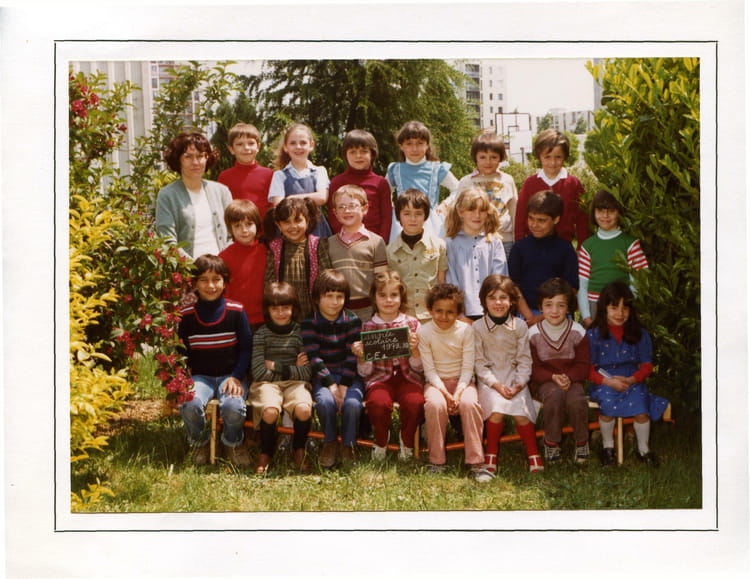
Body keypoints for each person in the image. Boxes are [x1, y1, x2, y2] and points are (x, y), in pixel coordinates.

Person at [177, 254, 252, 466]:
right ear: (194, 284)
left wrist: (237, 376)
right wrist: (182, 379)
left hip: (231, 376)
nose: (211, 286)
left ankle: (232, 442)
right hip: (201, 377)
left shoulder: (236, 311)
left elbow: (246, 348)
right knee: (189, 403)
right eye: (204, 280)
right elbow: (180, 351)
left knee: (233, 407)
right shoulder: (186, 315)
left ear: (225, 282)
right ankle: (200, 442)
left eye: (216, 279)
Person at [587, 281, 668, 466]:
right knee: (606, 407)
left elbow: (647, 366)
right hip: (604, 382)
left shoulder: (640, 334)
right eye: (614, 308)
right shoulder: (593, 335)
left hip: (632, 381)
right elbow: (588, 369)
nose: (620, 313)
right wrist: (608, 382)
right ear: (604, 309)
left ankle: (643, 450)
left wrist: (632, 379)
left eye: (625, 308)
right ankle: (608, 448)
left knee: (641, 409)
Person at [417, 283, 487, 482]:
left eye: (450, 312)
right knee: (435, 405)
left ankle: (476, 461)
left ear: (458, 313)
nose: (444, 316)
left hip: (463, 382)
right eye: (438, 311)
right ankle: (437, 461)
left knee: (470, 404)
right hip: (436, 384)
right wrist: (446, 394)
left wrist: (457, 393)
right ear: (430, 309)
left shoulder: (466, 330)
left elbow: (468, 367)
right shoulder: (424, 332)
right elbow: (429, 370)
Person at [473, 275, 542, 475]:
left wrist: (519, 383)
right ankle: (491, 454)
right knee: (496, 410)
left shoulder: (519, 326)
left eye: (503, 297)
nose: (498, 303)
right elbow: (479, 364)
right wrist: (496, 385)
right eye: (492, 297)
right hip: (490, 380)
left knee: (521, 413)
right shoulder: (478, 327)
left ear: (512, 301)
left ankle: (533, 453)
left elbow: (524, 360)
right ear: (484, 301)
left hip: (514, 379)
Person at [352, 271, 424, 461]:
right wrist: (362, 357)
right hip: (379, 379)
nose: (389, 300)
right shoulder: (368, 327)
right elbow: (364, 372)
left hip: (407, 377)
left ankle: (407, 440)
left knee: (415, 402)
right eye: (382, 295)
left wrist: (415, 350)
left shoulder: (413, 324)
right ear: (374, 298)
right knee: (378, 403)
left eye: (394, 295)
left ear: (401, 297)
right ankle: (381, 440)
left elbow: (419, 368)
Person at [301, 269, 364, 468]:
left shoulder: (353, 320)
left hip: (349, 375)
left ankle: (348, 444)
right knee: (325, 403)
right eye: (329, 296)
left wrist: (344, 386)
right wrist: (332, 386)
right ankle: (329, 442)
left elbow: (352, 356)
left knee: (352, 404)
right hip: (323, 376)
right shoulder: (309, 322)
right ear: (317, 298)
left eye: (339, 296)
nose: (335, 302)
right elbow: (314, 357)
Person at [249, 282, 314, 474]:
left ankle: (299, 449)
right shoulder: (261, 334)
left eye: (285, 308)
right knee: (270, 411)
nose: (280, 313)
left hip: (295, 383)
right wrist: (294, 368)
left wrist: (277, 367)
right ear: (267, 310)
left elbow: (306, 372)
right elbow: (259, 372)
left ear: (293, 308)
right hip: (266, 384)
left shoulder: (300, 333)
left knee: (303, 409)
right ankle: (266, 452)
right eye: (275, 308)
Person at [528, 277, 590, 465]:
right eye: (549, 305)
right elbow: (532, 368)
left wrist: (569, 377)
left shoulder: (578, 331)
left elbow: (583, 365)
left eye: (560, 305)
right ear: (540, 307)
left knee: (576, 399)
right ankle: (551, 441)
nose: (554, 311)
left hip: (573, 380)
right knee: (554, 396)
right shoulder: (533, 334)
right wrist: (552, 377)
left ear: (569, 308)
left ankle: (582, 441)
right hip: (544, 382)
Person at [577, 190, 649, 328]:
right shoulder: (588, 245)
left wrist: (625, 308)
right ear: (593, 213)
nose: (605, 216)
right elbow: (582, 284)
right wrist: (586, 316)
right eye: (600, 211)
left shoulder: (630, 243)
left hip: (620, 308)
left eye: (611, 211)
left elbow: (638, 282)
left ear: (619, 212)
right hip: (594, 306)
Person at [155, 132, 232, 259]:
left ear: (207, 158)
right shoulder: (167, 195)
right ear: (178, 159)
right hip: (187, 268)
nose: (195, 162)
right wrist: (194, 267)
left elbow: (233, 234)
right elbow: (167, 241)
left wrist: (220, 263)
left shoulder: (221, 191)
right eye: (188, 157)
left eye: (200, 156)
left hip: (222, 267)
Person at [509, 190, 578, 326]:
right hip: (525, 313)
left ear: (556, 219)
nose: (534, 224)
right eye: (531, 218)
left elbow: (572, 288)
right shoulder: (519, 248)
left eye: (541, 220)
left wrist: (543, 317)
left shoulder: (565, 249)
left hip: (557, 314)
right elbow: (513, 286)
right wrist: (530, 317)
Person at [386, 120, 459, 241]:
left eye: (420, 143)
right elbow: (384, 192)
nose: (414, 148)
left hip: (431, 223)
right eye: (409, 144)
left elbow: (459, 188)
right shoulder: (395, 170)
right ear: (401, 146)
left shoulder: (437, 169)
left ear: (427, 145)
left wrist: (445, 204)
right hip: (403, 223)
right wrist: (392, 207)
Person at [514, 129, 588, 245]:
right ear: (539, 157)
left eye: (558, 157)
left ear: (565, 157)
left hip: (564, 246)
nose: (552, 162)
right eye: (547, 157)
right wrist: (520, 244)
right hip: (534, 246)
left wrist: (582, 246)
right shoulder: (530, 183)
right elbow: (520, 216)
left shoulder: (573, 184)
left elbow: (582, 218)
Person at [445, 187, 508, 321]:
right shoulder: (450, 243)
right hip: (461, 315)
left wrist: (492, 314)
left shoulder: (494, 242)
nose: (477, 215)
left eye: (482, 210)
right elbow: (450, 281)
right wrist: (460, 315)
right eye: (471, 210)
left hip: (491, 313)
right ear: (460, 212)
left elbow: (500, 279)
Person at [264, 196, 333, 320]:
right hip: (285, 315)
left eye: (298, 220)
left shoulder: (318, 245)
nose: (293, 226)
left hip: (314, 314)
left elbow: (326, 280)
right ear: (278, 225)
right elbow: (269, 282)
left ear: (307, 221)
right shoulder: (275, 248)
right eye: (286, 222)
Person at [327, 184, 388, 321]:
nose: (347, 210)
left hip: (369, 311)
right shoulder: (329, 243)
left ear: (365, 208)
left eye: (352, 206)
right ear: (335, 213)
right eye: (341, 207)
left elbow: (382, 281)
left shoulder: (376, 242)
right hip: (338, 312)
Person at [386, 189, 447, 323]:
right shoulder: (389, 251)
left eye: (418, 213)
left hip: (431, 317)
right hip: (402, 317)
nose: (413, 219)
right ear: (399, 216)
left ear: (425, 215)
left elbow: (441, 283)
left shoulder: (439, 246)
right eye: (406, 214)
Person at [456, 131, 518, 259]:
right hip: (474, 240)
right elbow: (457, 213)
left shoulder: (507, 180)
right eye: (482, 157)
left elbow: (515, 212)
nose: (488, 162)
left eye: (493, 157)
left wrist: (516, 239)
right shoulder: (466, 182)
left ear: (500, 157)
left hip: (504, 240)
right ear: (475, 158)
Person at [268, 122, 332, 238]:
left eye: (303, 143)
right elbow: (279, 204)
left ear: (311, 145)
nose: (298, 147)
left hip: (316, 230)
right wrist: (309, 198)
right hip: (290, 230)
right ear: (286, 147)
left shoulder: (319, 171)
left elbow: (322, 197)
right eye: (293, 143)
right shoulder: (279, 175)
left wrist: (291, 198)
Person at [327, 129, 393, 241]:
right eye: (352, 152)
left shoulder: (380, 183)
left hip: (374, 242)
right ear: (345, 155)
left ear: (372, 154)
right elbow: (333, 216)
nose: (358, 156)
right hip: (345, 242)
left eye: (363, 151)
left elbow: (386, 218)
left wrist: (380, 243)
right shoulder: (337, 182)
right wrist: (345, 240)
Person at [218, 199, 267, 328]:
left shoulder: (267, 253)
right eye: (237, 226)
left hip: (265, 318)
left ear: (257, 224)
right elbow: (223, 291)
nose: (244, 230)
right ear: (230, 228)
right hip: (236, 319)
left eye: (249, 224)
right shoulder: (223, 257)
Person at [217, 122, 274, 219]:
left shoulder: (269, 174)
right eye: (240, 144)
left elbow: (273, 207)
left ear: (258, 147)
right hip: (236, 227)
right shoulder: (224, 177)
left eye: (251, 143)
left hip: (265, 228)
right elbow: (221, 208)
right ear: (231, 149)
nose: (246, 148)